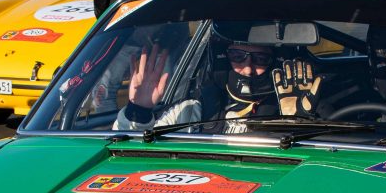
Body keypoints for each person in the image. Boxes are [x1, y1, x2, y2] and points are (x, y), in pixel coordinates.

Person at [112, 26, 323, 131]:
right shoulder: (196, 110)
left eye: (260, 59)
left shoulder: (303, 105)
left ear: (275, 63)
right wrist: (138, 110)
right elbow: (130, 148)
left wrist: (295, 125)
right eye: (238, 57)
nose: (247, 68)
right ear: (223, 59)